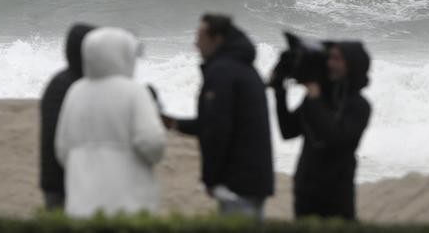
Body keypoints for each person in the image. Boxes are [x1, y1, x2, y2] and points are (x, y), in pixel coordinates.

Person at [165, 14, 274, 219]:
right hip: (255, 176)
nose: (195, 44)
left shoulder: (222, 71)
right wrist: (175, 124)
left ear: (218, 39)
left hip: (236, 180)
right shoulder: (243, 68)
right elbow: (216, 121)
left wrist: (210, 180)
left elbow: (217, 129)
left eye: (200, 37)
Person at [55, 27, 166, 217]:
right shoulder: (134, 92)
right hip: (128, 202)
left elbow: (62, 149)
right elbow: (152, 144)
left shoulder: (75, 92)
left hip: (81, 203)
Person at [270, 41, 372, 220]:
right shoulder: (317, 98)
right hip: (304, 191)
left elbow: (334, 139)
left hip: (336, 195)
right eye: (330, 58)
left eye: (337, 59)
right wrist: (279, 90)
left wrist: (315, 97)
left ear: (353, 65)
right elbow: (287, 131)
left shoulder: (359, 106)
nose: (330, 64)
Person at [39, 23, 96, 210]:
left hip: (64, 177)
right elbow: (62, 136)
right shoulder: (67, 85)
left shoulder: (63, 81)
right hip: (59, 180)